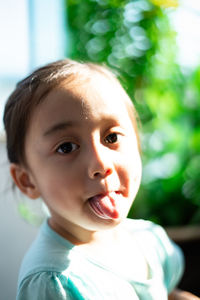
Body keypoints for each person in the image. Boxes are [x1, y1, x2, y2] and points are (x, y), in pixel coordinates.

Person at [3, 59, 198, 300]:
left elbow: (167, 294)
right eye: (66, 147)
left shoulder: (148, 241)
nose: (101, 164)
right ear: (27, 181)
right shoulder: (54, 282)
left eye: (112, 137)